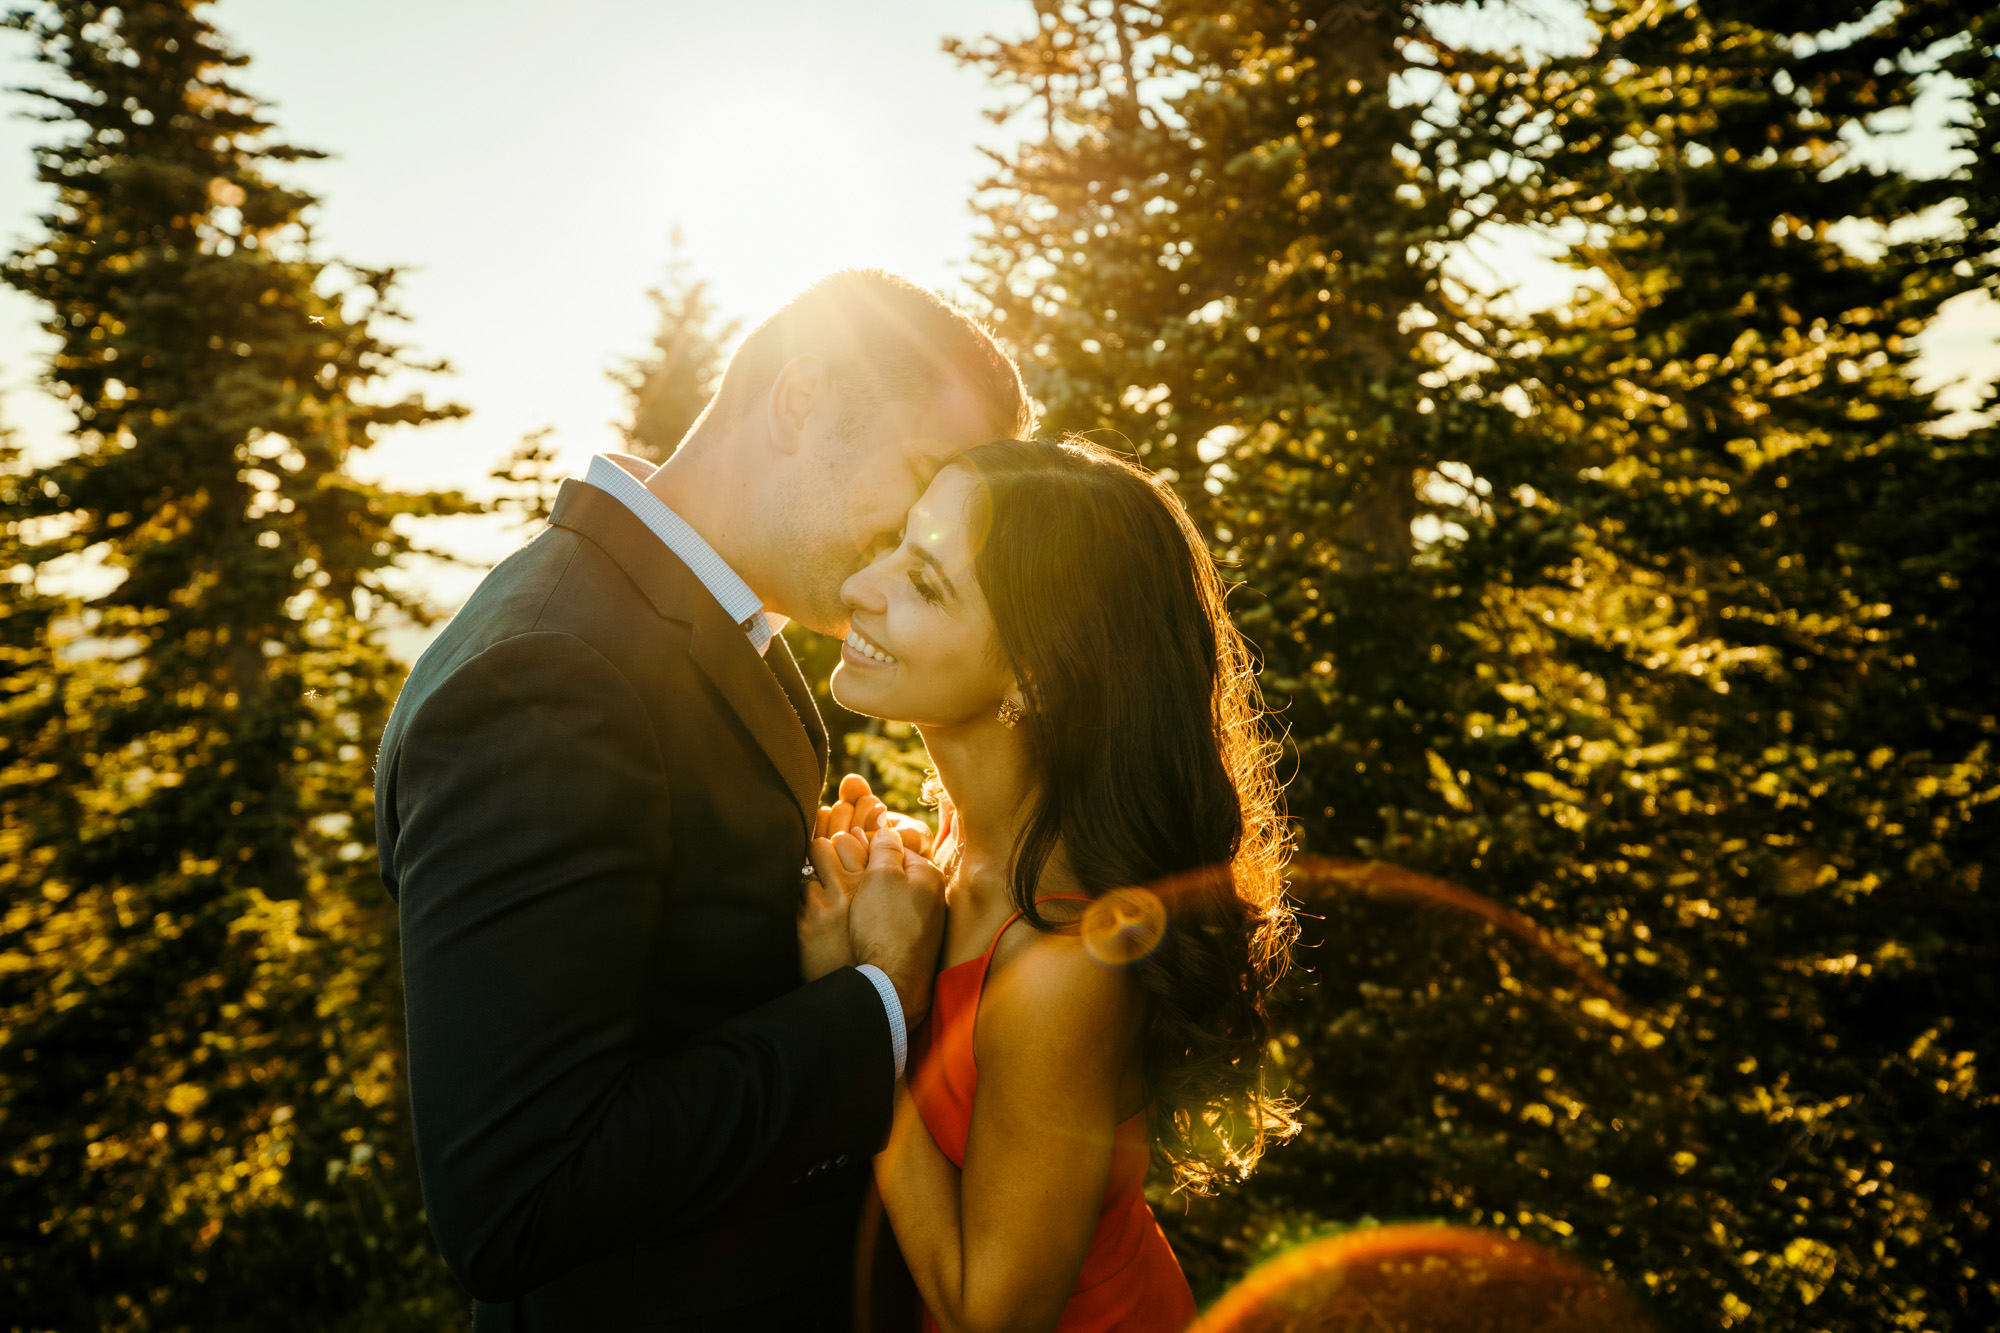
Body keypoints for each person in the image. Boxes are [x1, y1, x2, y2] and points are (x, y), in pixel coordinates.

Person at [373, 270, 1032, 1331]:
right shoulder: (552, 671)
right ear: (802, 398)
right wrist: (874, 997)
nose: (911, 534)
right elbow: (516, 1196)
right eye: (915, 477)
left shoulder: (689, 625)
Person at [800, 438, 1299, 1333]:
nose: (860, 587)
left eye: (925, 583)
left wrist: (864, 1004)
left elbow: (991, 1316)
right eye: (900, 545)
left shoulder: (1064, 961)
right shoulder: (965, 844)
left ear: (1034, 676)